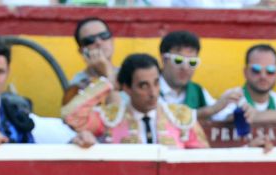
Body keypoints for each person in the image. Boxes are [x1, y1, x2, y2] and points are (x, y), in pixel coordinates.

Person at [63, 53, 207, 148]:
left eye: (156, 83)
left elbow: (204, 161)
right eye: (143, 86)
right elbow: (71, 116)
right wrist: (108, 83)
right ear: (126, 88)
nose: (153, 93)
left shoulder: (181, 117)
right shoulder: (110, 119)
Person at [158, 30, 240, 121]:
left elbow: (222, 115)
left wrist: (242, 112)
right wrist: (211, 110)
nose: (185, 67)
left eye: (192, 62)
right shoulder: (150, 87)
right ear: (164, 59)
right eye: (178, 60)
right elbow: (165, 119)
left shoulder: (197, 91)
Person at [62, 17, 119, 107]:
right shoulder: (77, 85)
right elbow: (116, 117)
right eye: (90, 40)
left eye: (104, 35)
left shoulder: (129, 74)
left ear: (112, 41)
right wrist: (106, 74)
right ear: (82, 51)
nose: (99, 42)